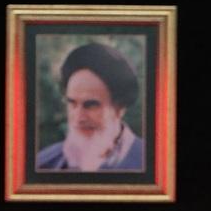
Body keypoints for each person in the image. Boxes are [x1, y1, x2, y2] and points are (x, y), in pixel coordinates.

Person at [36, 42, 146, 173]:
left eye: (91, 105)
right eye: (72, 103)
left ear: (119, 108)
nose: (79, 117)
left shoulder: (152, 163)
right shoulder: (44, 163)